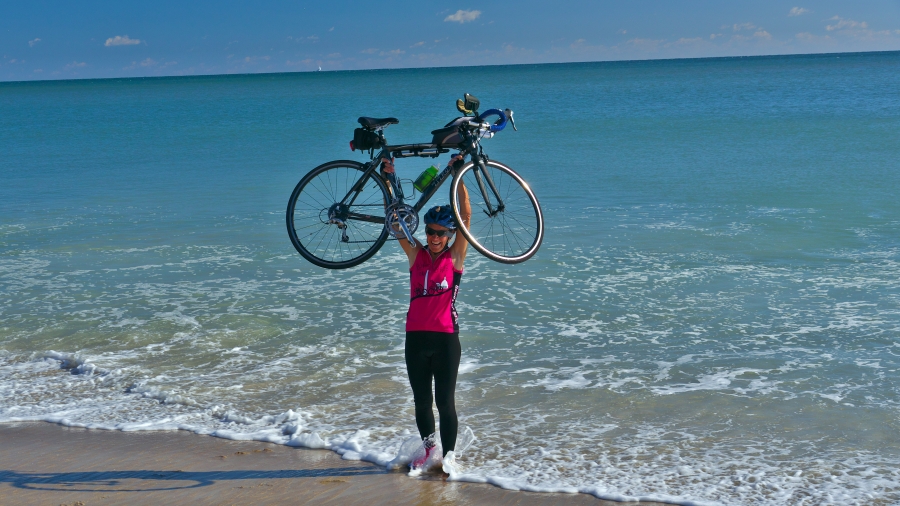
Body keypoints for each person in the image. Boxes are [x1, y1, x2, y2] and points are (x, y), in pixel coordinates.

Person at [391, 154, 470, 474]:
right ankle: (428, 450)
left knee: (445, 403)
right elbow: (395, 221)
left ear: (450, 234)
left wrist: (459, 176)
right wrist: (388, 177)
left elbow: (466, 214)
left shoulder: (456, 258)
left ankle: (448, 456)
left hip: (446, 340)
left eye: (441, 232)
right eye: (431, 231)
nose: (434, 237)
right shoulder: (416, 255)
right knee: (422, 403)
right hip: (415, 339)